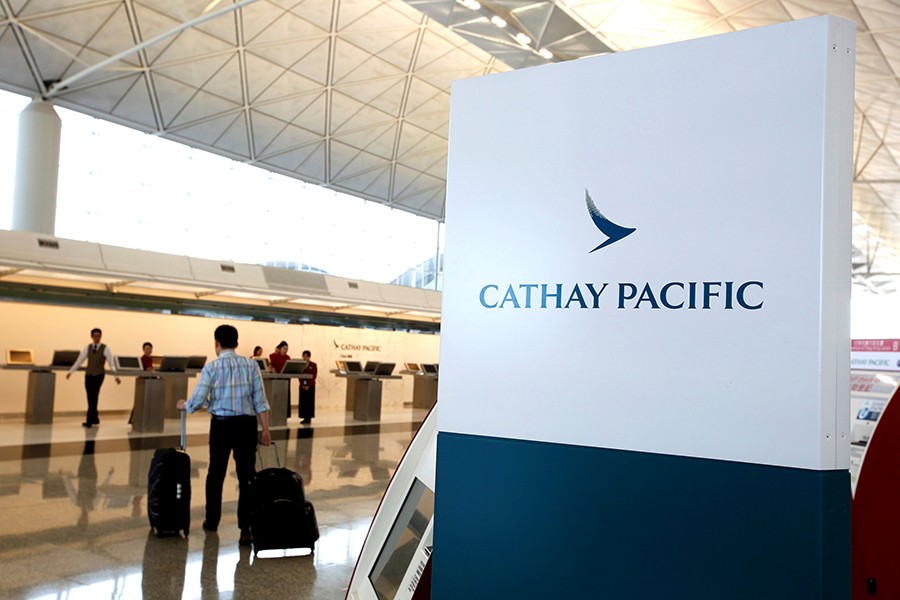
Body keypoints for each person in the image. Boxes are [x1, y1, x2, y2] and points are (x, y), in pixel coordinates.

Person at [176, 324, 271, 546]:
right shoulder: (251, 365)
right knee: (247, 476)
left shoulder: (212, 367)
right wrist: (266, 430)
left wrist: (184, 405)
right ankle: (246, 528)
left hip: (221, 426)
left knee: (216, 473)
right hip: (246, 426)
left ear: (216, 343)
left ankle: (212, 520)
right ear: (236, 343)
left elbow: (198, 399)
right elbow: (260, 400)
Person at [66, 328, 121, 427]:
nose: (97, 338)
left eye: (99, 336)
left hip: (99, 375)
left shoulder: (105, 348)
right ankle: (95, 419)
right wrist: (71, 371)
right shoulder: (87, 348)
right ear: (91, 336)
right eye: (95, 336)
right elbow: (80, 360)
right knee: (90, 396)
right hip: (88, 375)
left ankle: (89, 420)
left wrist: (116, 376)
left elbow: (111, 363)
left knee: (94, 396)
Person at [298, 350, 317, 425]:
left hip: (310, 386)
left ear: (309, 357)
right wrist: (302, 384)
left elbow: (314, 376)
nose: (304, 358)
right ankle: (304, 417)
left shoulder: (313, 365)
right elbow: (299, 374)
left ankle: (308, 418)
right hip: (302, 385)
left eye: (306, 356)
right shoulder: (301, 365)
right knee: (303, 402)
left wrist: (308, 385)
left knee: (309, 402)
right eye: (303, 356)